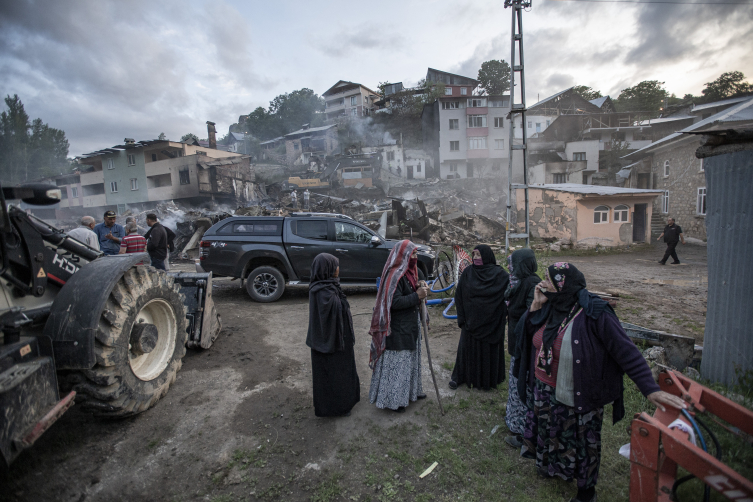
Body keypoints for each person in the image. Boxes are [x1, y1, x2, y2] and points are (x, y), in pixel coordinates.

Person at [515, 262, 686, 502]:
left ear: (564, 285)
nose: (542, 282)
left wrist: (650, 389)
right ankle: (552, 468)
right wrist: (535, 305)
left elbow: (626, 351)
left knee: (583, 443)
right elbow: (529, 332)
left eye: (548, 279)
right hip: (545, 388)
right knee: (550, 432)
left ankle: (586, 492)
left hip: (579, 393)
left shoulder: (595, 312)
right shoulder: (552, 304)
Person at [369, 240, 431, 413]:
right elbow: (394, 302)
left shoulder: (414, 271)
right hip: (396, 329)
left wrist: (422, 286)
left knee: (411, 361)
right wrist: (416, 296)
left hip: (411, 326)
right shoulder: (394, 275)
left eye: (416, 254)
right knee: (398, 365)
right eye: (412, 254)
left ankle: (411, 393)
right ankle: (394, 401)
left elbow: (421, 284)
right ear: (402, 255)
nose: (415, 257)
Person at [306, 253, 360, 417]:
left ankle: (347, 402)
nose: (338, 269)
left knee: (343, 371)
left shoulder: (330, 285)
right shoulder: (321, 291)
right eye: (335, 266)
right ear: (326, 269)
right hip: (329, 342)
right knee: (333, 374)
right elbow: (330, 316)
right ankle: (336, 408)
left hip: (339, 338)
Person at [449, 245, 509, 391]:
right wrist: (462, 318)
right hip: (470, 323)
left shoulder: (501, 275)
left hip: (492, 323)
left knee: (488, 352)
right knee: (467, 351)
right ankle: (460, 377)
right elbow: (459, 296)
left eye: (478, 255)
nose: (475, 257)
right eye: (474, 254)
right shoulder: (468, 272)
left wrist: (500, 316)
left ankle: (488, 380)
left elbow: (506, 298)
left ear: (487, 256)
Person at [503, 248, 540, 449]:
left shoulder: (532, 283)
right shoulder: (518, 282)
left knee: (523, 385)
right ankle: (516, 421)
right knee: (516, 382)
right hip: (518, 343)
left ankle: (524, 430)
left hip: (526, 345)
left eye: (513, 263)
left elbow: (531, 318)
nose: (510, 267)